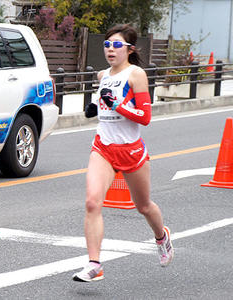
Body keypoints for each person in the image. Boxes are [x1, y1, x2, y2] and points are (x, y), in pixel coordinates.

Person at [73, 24, 174, 282]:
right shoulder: (101, 75)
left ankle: (161, 237)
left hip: (131, 150)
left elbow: (145, 116)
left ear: (129, 49)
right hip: (103, 147)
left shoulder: (136, 75)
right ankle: (94, 264)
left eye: (116, 45)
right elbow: (101, 101)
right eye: (107, 45)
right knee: (92, 202)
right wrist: (93, 107)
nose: (110, 49)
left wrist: (117, 104)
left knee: (144, 206)